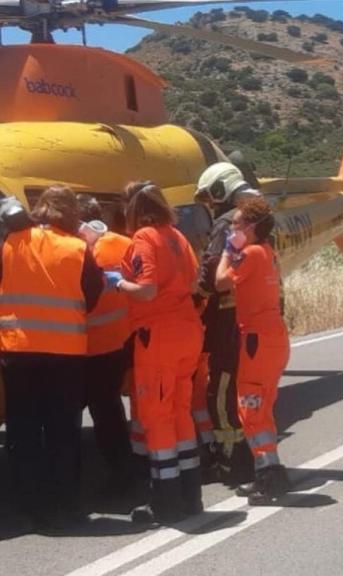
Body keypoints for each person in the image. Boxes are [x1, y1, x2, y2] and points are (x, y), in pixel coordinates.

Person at [0, 185, 105, 530]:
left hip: (17, 349)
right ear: (72, 212)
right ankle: (66, 503)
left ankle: (29, 503)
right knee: (62, 431)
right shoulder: (77, 248)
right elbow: (94, 292)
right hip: (65, 352)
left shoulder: (11, 241)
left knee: (23, 428)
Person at [113, 181, 205, 525]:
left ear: (133, 208)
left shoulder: (144, 238)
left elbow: (147, 289)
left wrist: (118, 283)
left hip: (159, 336)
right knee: (180, 411)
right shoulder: (177, 236)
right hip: (187, 331)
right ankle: (190, 495)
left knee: (157, 415)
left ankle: (166, 499)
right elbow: (194, 282)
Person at [214, 196, 292, 504]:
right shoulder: (268, 252)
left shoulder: (250, 254)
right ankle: (267, 469)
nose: (231, 228)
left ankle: (268, 476)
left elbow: (221, 282)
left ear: (251, 227)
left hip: (256, 340)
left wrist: (227, 251)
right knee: (264, 407)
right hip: (274, 338)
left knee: (250, 408)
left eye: (236, 224)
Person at [194, 161, 260, 484]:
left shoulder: (225, 225)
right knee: (245, 390)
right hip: (252, 321)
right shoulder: (256, 223)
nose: (209, 204)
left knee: (220, 391)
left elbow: (211, 272)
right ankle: (249, 455)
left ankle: (231, 460)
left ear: (220, 191)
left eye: (209, 197)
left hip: (226, 324)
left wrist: (195, 295)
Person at [77, 194, 134, 494]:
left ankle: (119, 474)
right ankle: (131, 465)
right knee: (114, 408)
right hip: (125, 338)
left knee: (101, 412)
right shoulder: (126, 244)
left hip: (92, 345)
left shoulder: (80, 251)